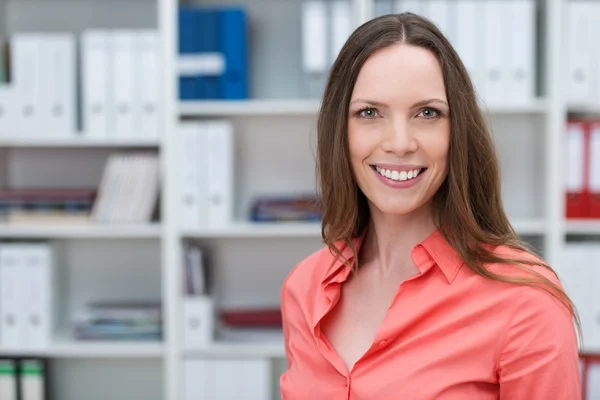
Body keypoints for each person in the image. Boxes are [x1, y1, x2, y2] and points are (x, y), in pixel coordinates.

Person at [279, 12, 582, 400]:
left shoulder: (526, 303)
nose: (400, 142)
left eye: (427, 113)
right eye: (370, 113)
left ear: (457, 132)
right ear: (341, 130)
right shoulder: (303, 288)